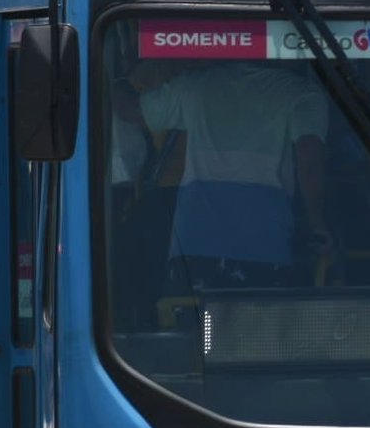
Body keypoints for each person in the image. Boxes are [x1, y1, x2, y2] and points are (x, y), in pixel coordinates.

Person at [131, 59, 332, 289]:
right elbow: (310, 162)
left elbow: (135, 110)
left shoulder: (195, 85)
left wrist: (110, 79)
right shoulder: (301, 93)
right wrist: (317, 224)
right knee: (256, 322)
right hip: (264, 243)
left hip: (194, 243)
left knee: (198, 323)